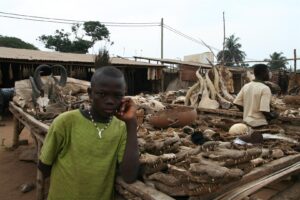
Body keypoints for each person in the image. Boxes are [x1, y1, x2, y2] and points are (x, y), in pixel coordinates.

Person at [38, 66, 139, 200]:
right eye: (102, 94)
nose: (110, 101)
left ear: (124, 97)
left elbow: (129, 176)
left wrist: (131, 123)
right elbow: (44, 165)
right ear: (90, 93)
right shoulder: (65, 122)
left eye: (117, 95)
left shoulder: (121, 128)